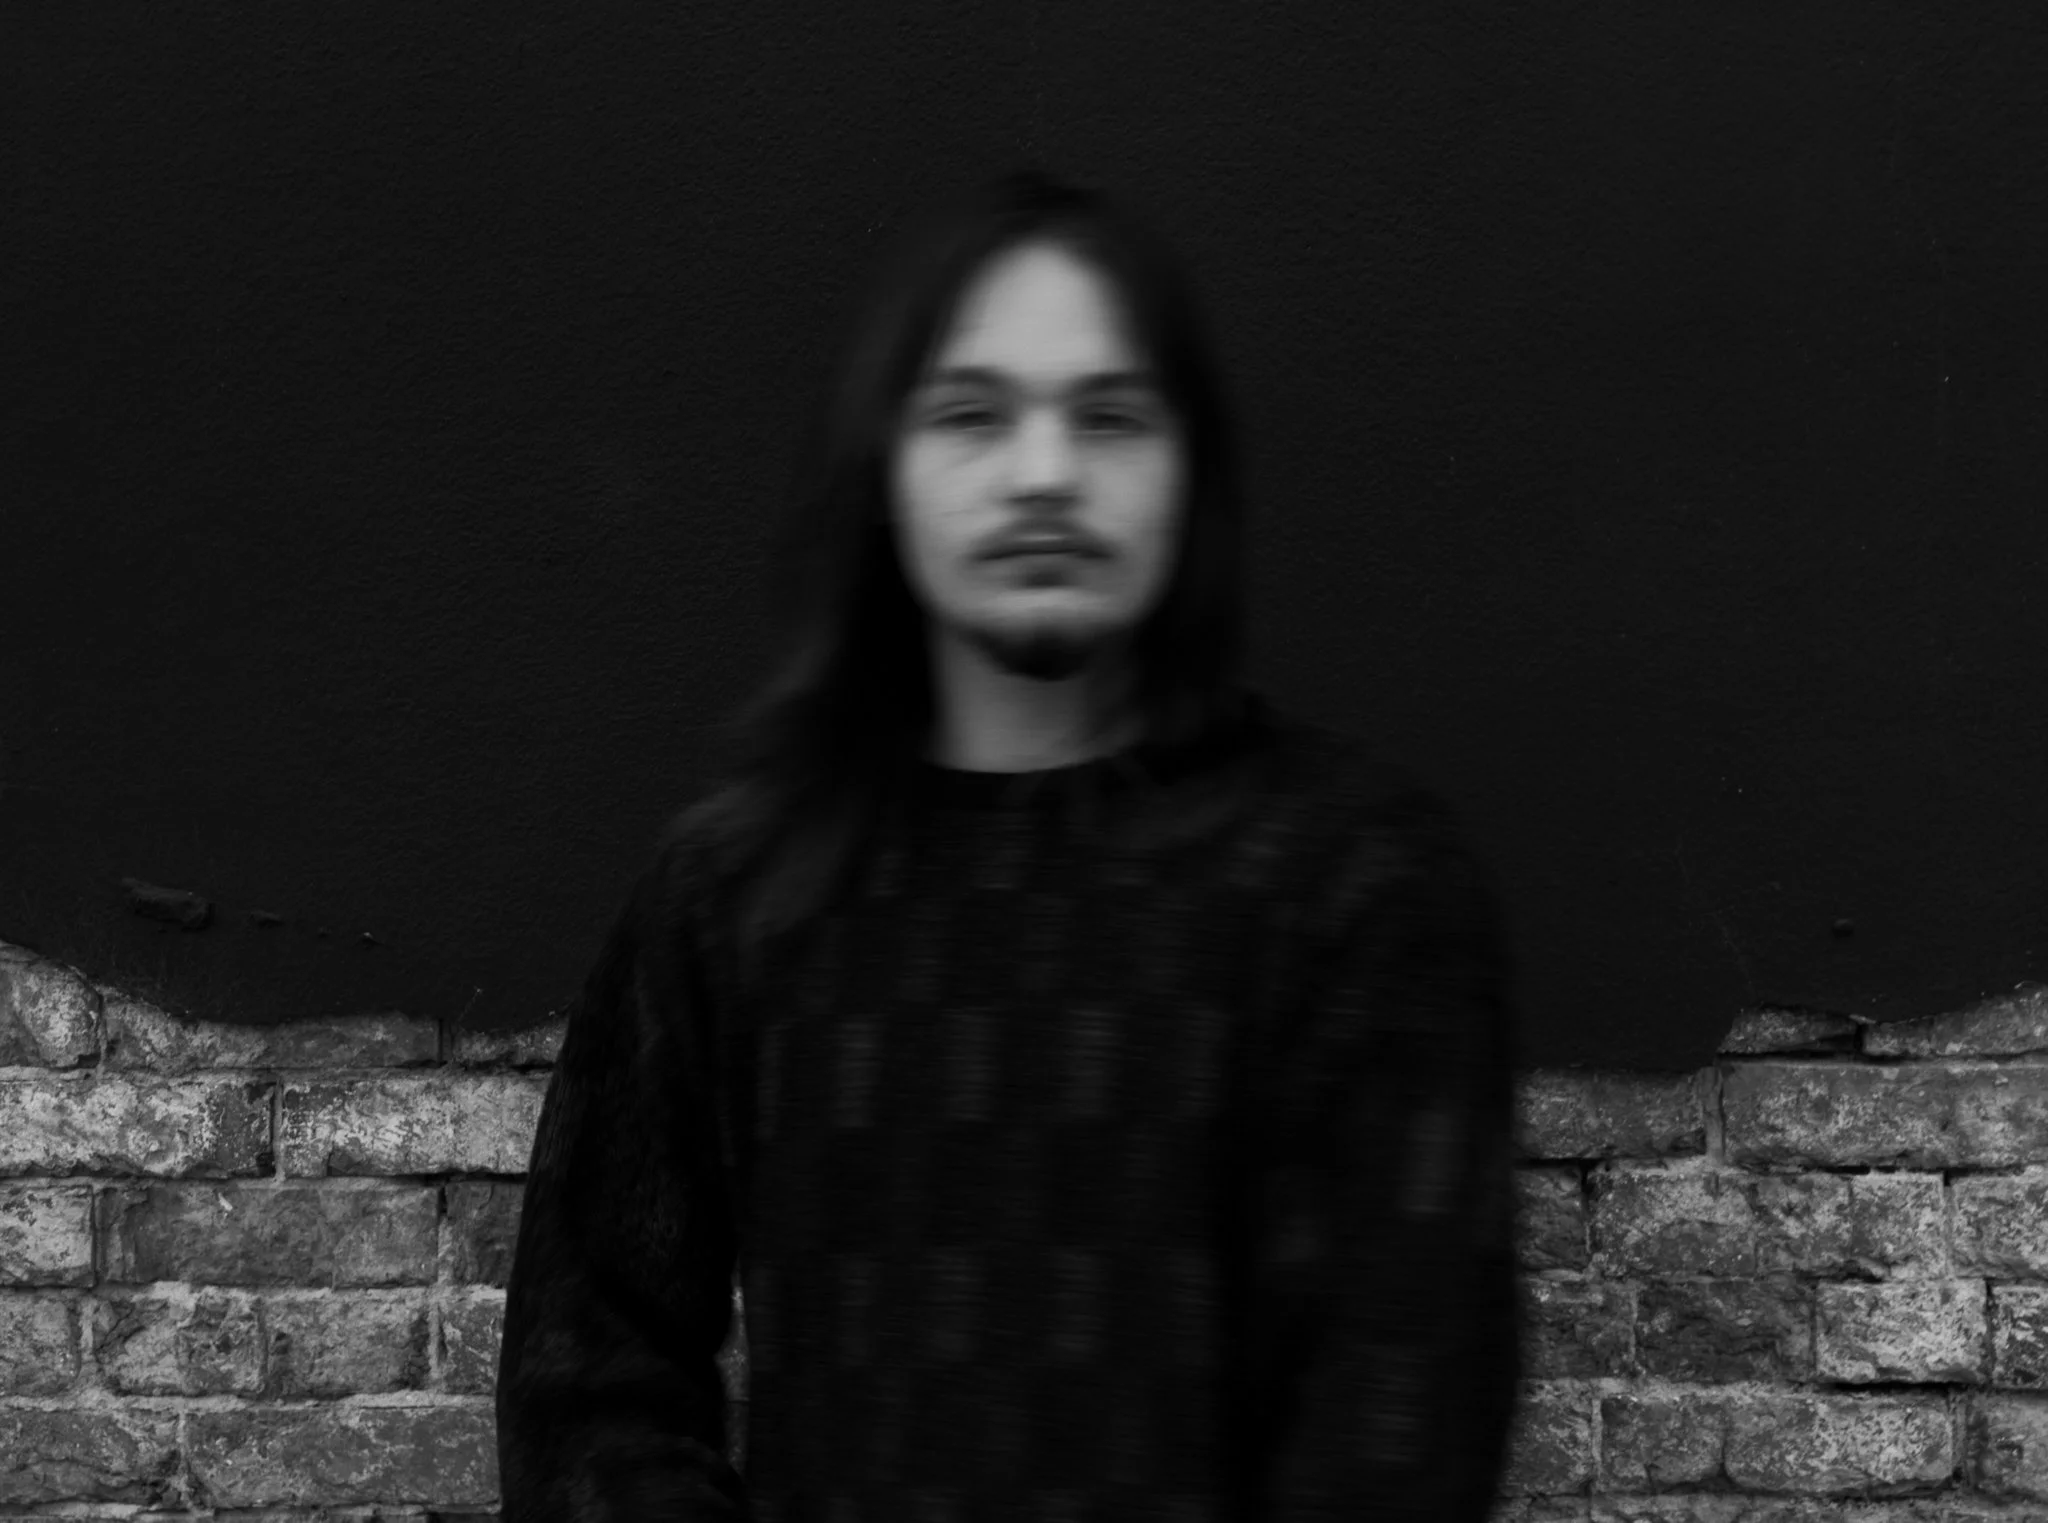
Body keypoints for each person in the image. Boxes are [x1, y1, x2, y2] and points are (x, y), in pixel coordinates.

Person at [496, 168, 1522, 1523]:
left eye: (1108, 416)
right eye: (974, 414)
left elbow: (1401, 1425)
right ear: (888, 469)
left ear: (1187, 468)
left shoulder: (1361, 893)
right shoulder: (734, 897)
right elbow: (588, 1378)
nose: (1045, 473)